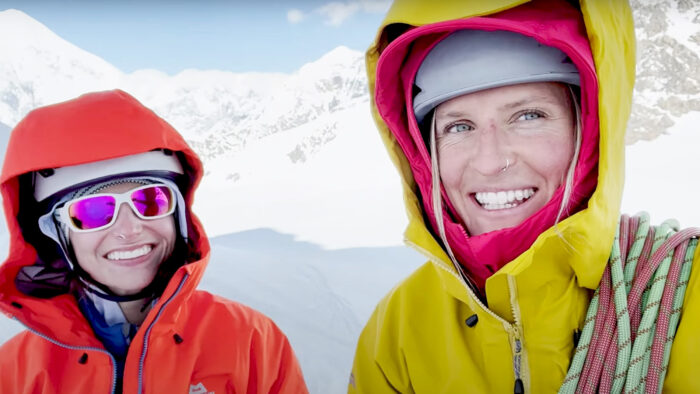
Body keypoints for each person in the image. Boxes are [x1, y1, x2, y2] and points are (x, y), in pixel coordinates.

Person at [350, 0, 700, 393]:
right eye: (458, 126)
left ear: (590, 130)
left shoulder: (691, 293)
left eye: (529, 116)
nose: (489, 161)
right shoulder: (398, 330)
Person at [0, 90, 309, 393]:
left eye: (150, 200)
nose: (129, 227)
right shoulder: (13, 374)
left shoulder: (251, 343)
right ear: (55, 232)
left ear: (179, 215)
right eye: (93, 211)